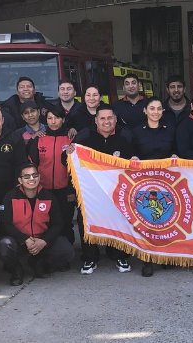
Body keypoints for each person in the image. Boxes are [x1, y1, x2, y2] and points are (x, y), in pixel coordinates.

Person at [64, 106, 136, 274]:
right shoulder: (84, 136)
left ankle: (119, 255)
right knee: (86, 222)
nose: (106, 122)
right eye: (102, 118)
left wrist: (134, 159)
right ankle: (90, 258)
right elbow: (67, 161)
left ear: (115, 120)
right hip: (90, 192)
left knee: (117, 221)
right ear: (96, 120)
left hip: (116, 190)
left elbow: (135, 159)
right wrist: (67, 153)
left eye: (110, 118)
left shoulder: (125, 136)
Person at [0, 163, 75, 286]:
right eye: (27, 176)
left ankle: (40, 262)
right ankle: (17, 269)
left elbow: (58, 223)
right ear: (20, 180)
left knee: (67, 251)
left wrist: (44, 241)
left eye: (34, 175)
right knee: (4, 246)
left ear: (39, 177)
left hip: (42, 241)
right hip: (20, 241)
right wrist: (25, 239)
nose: (31, 179)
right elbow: (4, 224)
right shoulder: (10, 197)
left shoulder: (49, 196)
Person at [130, 97, 178, 277]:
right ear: (145, 111)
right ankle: (147, 259)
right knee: (147, 219)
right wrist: (134, 157)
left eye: (159, 108)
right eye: (152, 108)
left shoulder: (170, 129)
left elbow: (176, 150)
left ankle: (164, 256)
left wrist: (174, 154)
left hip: (167, 181)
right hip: (144, 182)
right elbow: (132, 151)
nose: (156, 112)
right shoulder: (136, 131)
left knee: (165, 218)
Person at [28, 106, 77, 254]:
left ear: (62, 119)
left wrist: (71, 190)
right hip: (44, 189)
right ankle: (46, 253)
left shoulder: (71, 138)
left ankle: (67, 253)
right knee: (45, 222)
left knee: (66, 222)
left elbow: (76, 168)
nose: (53, 121)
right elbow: (32, 164)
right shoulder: (39, 138)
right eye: (50, 118)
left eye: (56, 118)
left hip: (65, 189)